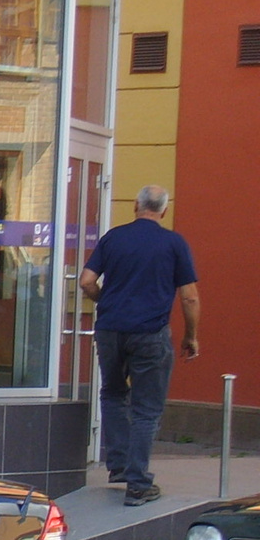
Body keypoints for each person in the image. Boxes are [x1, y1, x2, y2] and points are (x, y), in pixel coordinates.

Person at [79, 184, 200, 507]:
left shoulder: (113, 238)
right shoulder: (173, 243)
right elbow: (189, 296)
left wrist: (107, 302)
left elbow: (86, 281)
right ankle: (138, 483)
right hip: (150, 333)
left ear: (135, 205)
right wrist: (191, 335)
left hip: (109, 330)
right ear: (163, 210)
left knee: (114, 393)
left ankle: (118, 465)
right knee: (146, 409)